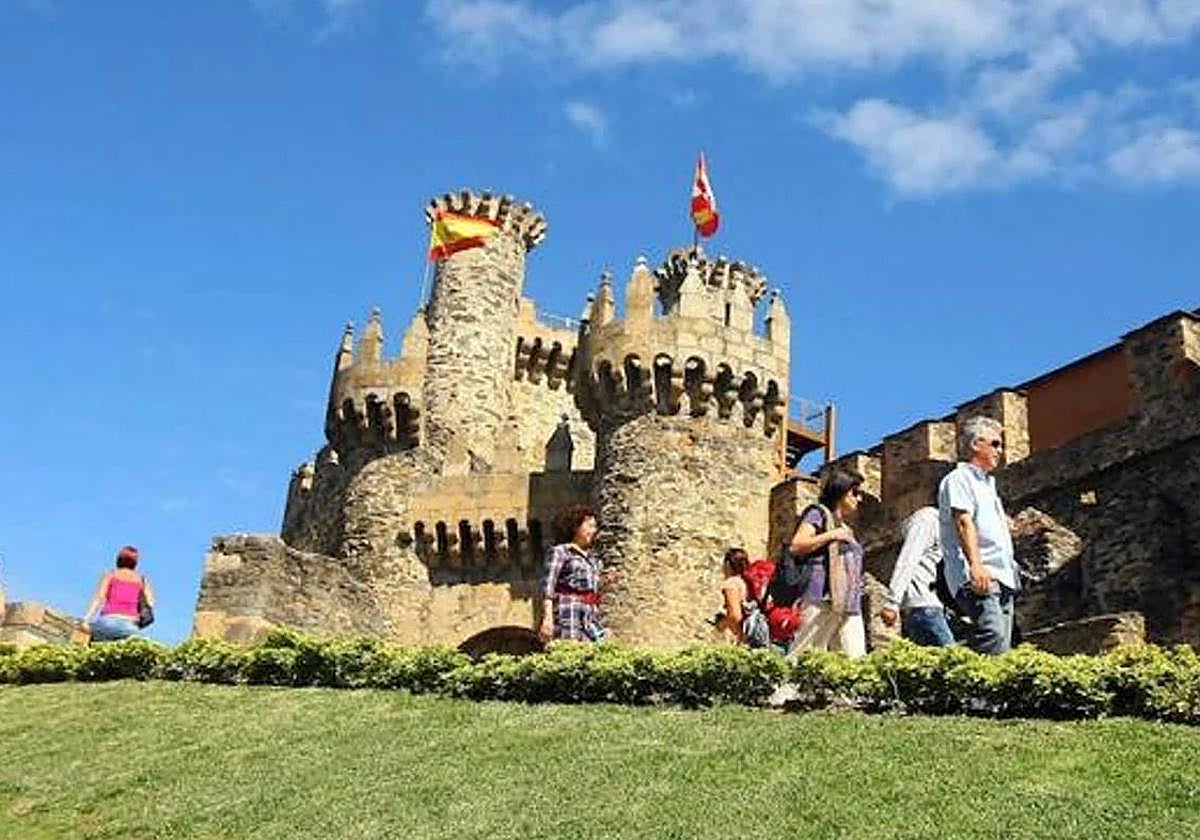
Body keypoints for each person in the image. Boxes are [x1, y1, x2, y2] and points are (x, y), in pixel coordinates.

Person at [939, 416, 1020, 655]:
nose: (1000, 451)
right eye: (995, 444)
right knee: (992, 635)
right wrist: (976, 566)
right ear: (976, 444)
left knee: (1002, 645)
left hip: (1003, 575)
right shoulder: (959, 479)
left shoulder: (988, 486)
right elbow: (963, 522)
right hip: (979, 574)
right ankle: (964, 682)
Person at [788, 469, 867, 658]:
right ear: (841, 491)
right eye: (855, 493)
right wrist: (831, 535)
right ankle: (786, 689)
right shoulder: (818, 513)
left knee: (855, 660)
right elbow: (797, 545)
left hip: (849, 602)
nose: (859, 499)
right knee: (804, 655)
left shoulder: (846, 528)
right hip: (821, 597)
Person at [881, 492, 955, 647]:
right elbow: (908, 558)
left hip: (938, 607)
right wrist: (892, 602)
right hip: (924, 605)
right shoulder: (927, 520)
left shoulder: (946, 526)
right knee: (953, 662)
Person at [537, 505, 605, 643]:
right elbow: (548, 588)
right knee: (569, 656)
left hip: (589, 618)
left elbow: (593, 591)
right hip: (568, 614)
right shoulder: (560, 552)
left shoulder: (593, 559)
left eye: (595, 527)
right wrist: (547, 619)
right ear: (576, 527)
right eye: (590, 526)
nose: (594, 531)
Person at [83, 545, 155, 642]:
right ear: (135, 562)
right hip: (130, 626)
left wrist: (86, 620)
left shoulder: (110, 575)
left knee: (89, 640)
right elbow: (151, 603)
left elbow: (98, 599)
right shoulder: (142, 579)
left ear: (119, 559)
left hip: (108, 621)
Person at [713, 547, 750, 643]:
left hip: (741, 636)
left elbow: (735, 615)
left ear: (728, 564)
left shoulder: (731, 584)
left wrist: (723, 624)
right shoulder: (745, 582)